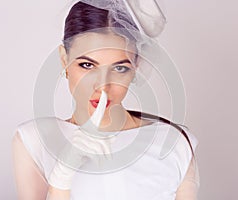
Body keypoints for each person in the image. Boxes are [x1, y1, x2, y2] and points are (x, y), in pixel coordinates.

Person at [12, 1, 200, 199]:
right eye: (87, 65)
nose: (102, 86)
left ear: (136, 66)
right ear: (64, 60)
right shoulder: (35, 140)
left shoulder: (174, 143)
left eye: (119, 68)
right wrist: (61, 180)